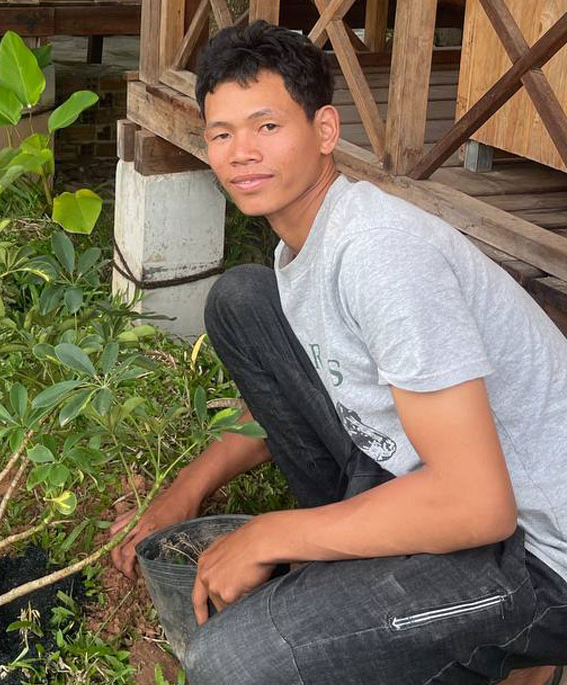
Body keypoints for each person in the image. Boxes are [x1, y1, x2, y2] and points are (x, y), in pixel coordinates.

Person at [110, 22, 567, 684]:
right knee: (242, 302)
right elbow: (326, 382)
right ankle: (355, 571)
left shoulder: (381, 254)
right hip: (421, 472)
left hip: (534, 551)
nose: (242, 152)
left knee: (232, 659)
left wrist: (273, 533)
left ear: (325, 130)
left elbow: (479, 504)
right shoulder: (307, 243)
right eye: (222, 133)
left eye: (267, 126)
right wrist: (187, 489)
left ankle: (523, 652)